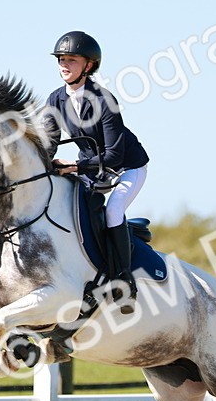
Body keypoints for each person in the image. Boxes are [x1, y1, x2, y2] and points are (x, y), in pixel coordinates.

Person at [41, 31, 149, 312]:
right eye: (61, 60)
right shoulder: (55, 99)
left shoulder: (104, 100)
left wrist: (74, 166)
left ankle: (125, 282)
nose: (64, 65)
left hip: (127, 167)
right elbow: (49, 144)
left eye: (71, 60)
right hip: (92, 166)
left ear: (88, 65)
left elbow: (114, 155)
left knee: (113, 211)